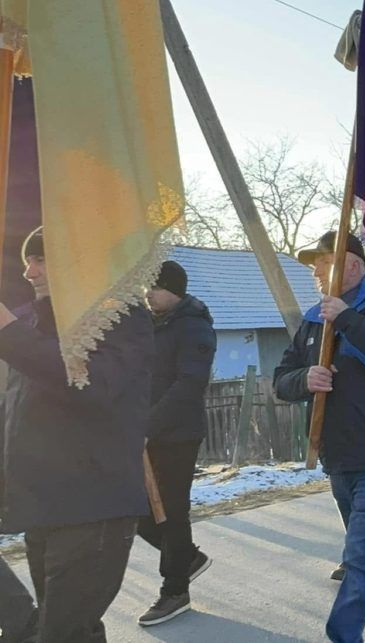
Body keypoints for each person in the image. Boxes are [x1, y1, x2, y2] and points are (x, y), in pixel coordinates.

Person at [0, 227, 155, 642]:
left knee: (64, 634)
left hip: (93, 509)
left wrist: (9, 333)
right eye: (27, 261)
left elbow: (87, 385)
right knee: (72, 633)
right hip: (45, 507)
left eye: (41, 260)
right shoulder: (34, 323)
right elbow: (18, 412)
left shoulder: (120, 320)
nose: (29, 272)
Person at [274, 231, 365, 643]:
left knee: (358, 555)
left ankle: (343, 636)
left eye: (322, 261)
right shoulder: (314, 319)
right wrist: (306, 378)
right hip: (337, 454)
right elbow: (281, 380)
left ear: (352, 265)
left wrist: (348, 319)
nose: (315, 271)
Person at [137, 261, 217, 626]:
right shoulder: (153, 324)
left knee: (170, 511)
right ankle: (187, 559)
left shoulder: (193, 327)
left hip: (178, 433)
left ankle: (175, 590)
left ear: (173, 290)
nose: (148, 294)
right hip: (146, 432)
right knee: (137, 510)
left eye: (154, 288)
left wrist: (148, 424)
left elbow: (189, 384)